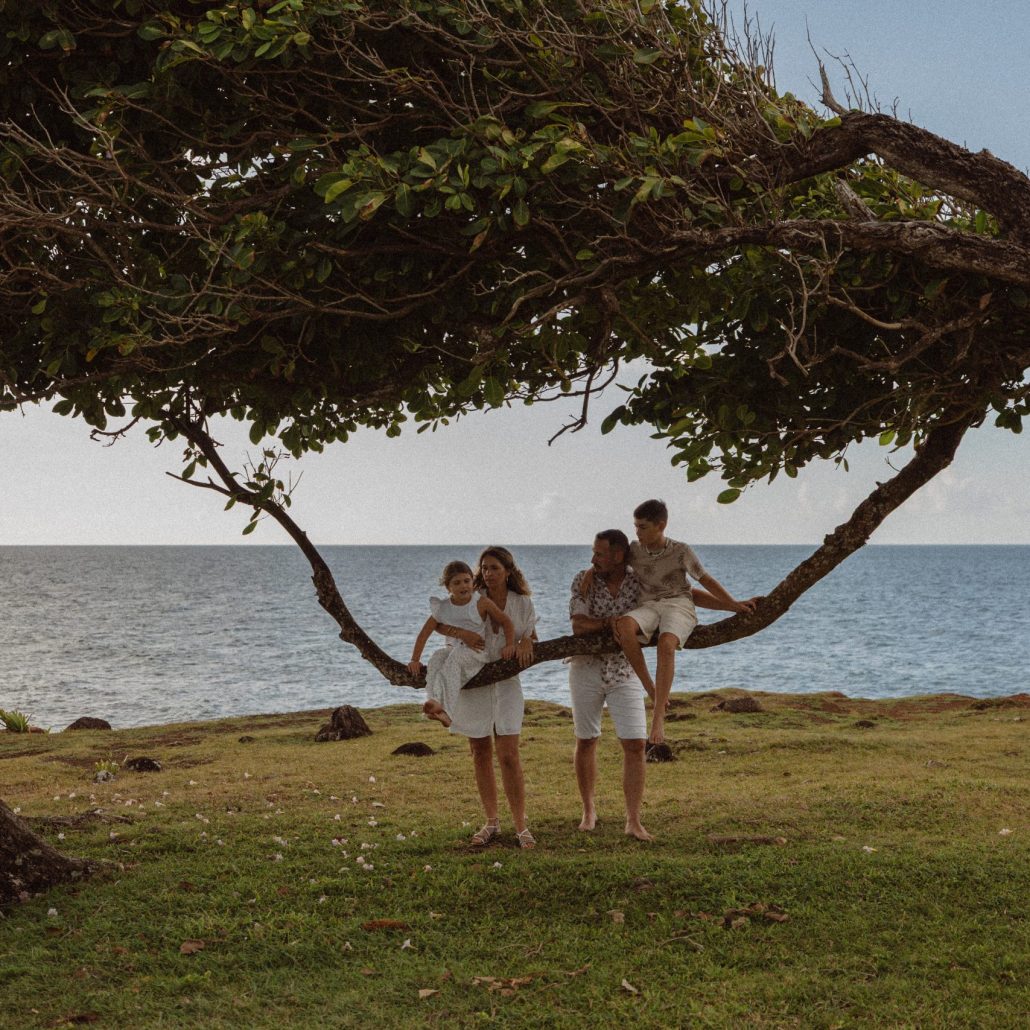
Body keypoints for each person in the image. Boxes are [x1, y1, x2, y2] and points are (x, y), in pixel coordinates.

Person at [571, 530, 752, 840]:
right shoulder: (583, 579)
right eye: (593, 553)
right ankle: (589, 810)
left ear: (618, 555)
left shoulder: (637, 577)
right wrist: (611, 622)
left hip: (625, 670)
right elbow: (578, 624)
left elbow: (685, 594)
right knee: (586, 740)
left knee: (635, 744)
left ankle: (633, 820)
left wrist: (733, 605)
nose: (593, 559)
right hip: (585, 668)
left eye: (599, 554)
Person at [616, 499, 756, 745]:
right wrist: (588, 574)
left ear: (661, 525)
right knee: (624, 625)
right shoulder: (634, 550)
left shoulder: (681, 551)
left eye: (643, 527)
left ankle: (658, 718)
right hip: (647, 606)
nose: (637, 532)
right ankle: (650, 688)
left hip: (678, 605)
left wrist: (733, 604)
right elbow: (610, 564)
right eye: (635, 526)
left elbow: (704, 581)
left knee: (667, 644)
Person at [433, 546, 538, 850]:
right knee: (480, 751)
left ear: (508, 570)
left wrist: (524, 641)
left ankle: (521, 826)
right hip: (474, 682)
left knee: (509, 755)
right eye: (485, 568)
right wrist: (463, 635)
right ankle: (491, 821)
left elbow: (532, 637)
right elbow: (441, 625)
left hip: (506, 684)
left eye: (494, 567)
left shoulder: (522, 603)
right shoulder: (470, 599)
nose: (489, 573)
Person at [407, 560, 516, 728]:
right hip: (453, 651)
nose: (463, 586)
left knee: (456, 658)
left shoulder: (480, 602)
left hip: (477, 652)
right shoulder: (442, 607)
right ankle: (432, 701)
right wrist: (415, 659)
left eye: (467, 581)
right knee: (437, 657)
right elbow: (424, 634)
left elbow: (506, 622)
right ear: (448, 587)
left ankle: (446, 711)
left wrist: (509, 644)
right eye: (456, 583)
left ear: (472, 581)